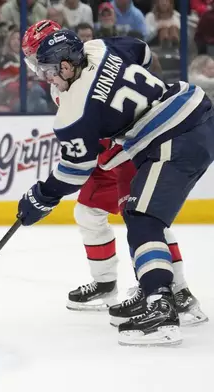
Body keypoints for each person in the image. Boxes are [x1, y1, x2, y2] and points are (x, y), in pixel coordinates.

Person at [17, 29, 214, 346]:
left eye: (48, 69)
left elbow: (74, 169)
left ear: (65, 64)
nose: (45, 76)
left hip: (163, 138)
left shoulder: (73, 110)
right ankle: (145, 290)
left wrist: (41, 196)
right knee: (130, 217)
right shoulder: (96, 47)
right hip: (191, 107)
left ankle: (167, 302)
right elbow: (143, 53)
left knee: (144, 220)